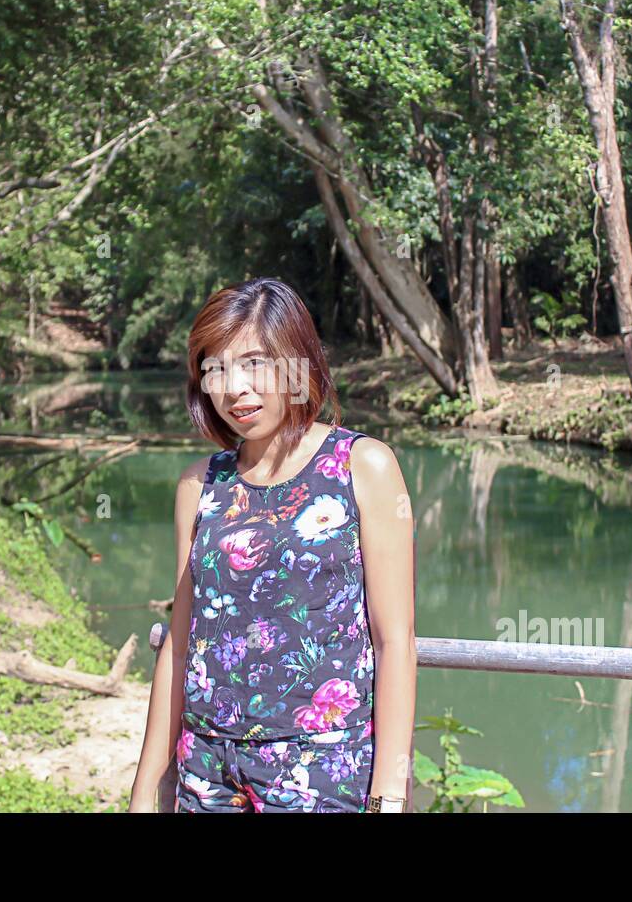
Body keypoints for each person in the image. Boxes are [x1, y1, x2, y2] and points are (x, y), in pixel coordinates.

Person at [128, 277, 417, 813]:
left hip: (321, 774)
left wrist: (389, 796)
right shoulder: (200, 486)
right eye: (216, 368)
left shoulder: (362, 466)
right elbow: (181, 639)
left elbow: (394, 641)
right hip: (207, 772)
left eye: (256, 363)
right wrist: (149, 789)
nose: (235, 387)